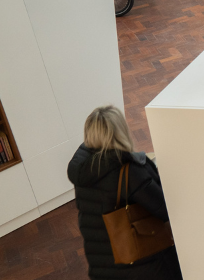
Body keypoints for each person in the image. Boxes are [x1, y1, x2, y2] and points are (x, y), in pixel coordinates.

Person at [67, 105, 183, 280]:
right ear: (120, 131)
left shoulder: (85, 169)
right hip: (141, 263)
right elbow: (167, 210)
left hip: (103, 262)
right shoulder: (130, 172)